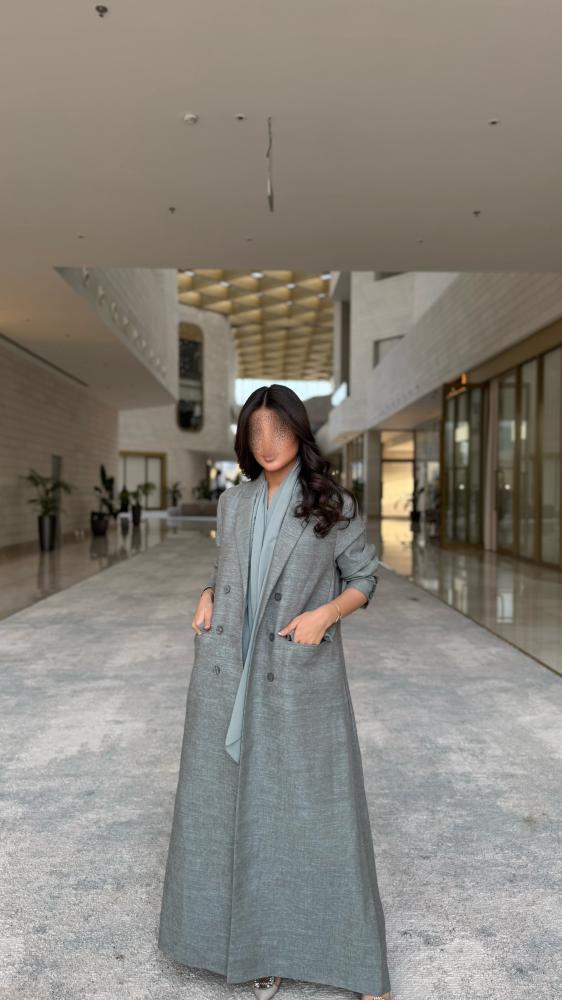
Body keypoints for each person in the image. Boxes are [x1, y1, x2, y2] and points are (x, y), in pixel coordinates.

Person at [158, 384, 392, 1000]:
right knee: (226, 811)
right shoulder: (233, 504)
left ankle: (353, 961)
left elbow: (364, 577)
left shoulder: (331, 504)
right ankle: (248, 950)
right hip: (226, 671)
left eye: (279, 432)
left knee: (315, 812)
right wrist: (207, 595)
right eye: (256, 433)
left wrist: (325, 615)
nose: (268, 444)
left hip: (295, 671)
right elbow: (227, 572)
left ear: (299, 433)